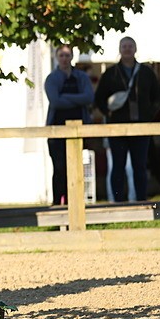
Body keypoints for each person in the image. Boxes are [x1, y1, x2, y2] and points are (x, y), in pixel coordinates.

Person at [94, 37, 160, 202]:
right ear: (119, 49)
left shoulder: (146, 72)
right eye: (124, 46)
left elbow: (157, 96)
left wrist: (149, 115)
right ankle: (117, 201)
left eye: (130, 46)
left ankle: (141, 200)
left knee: (140, 166)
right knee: (118, 166)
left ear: (135, 49)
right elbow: (99, 98)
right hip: (117, 126)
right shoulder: (111, 73)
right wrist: (108, 114)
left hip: (141, 126)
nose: (127, 49)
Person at [44, 44, 94, 204]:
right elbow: (55, 101)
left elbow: (89, 97)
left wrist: (65, 97)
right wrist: (77, 100)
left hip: (78, 129)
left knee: (75, 169)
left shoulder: (81, 77)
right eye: (61, 55)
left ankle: (74, 203)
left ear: (72, 57)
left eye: (67, 55)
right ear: (57, 57)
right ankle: (57, 202)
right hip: (56, 131)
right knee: (59, 168)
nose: (64, 59)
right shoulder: (52, 78)